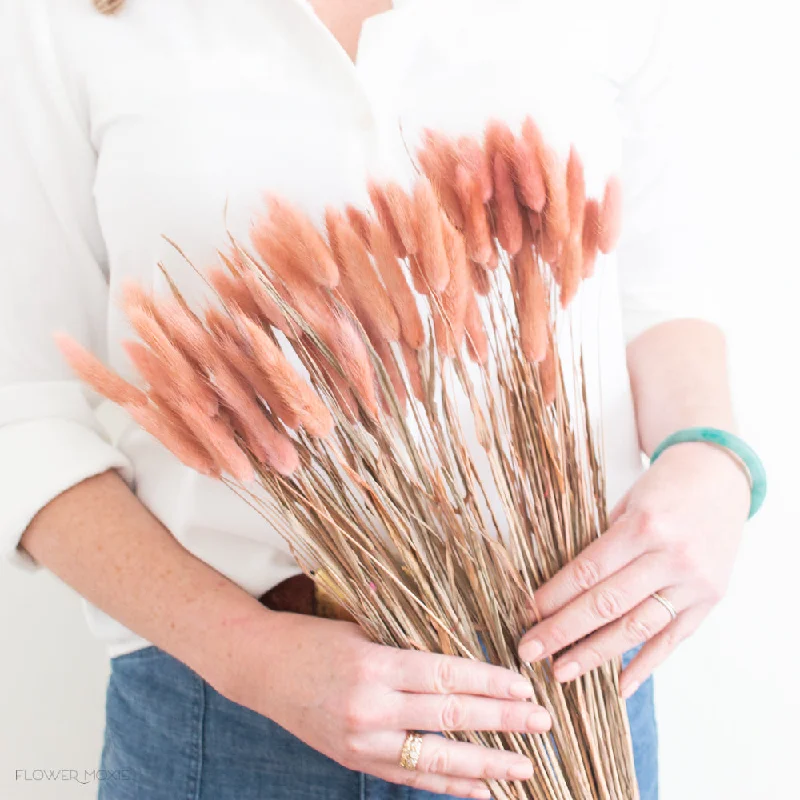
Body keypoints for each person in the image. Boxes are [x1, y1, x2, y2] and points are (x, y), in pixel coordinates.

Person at [0, 1, 761, 799]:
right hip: (223, 712)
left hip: (568, 690)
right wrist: (246, 655)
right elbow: (23, 408)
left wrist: (711, 459)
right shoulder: (63, 17)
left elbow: (662, 299)